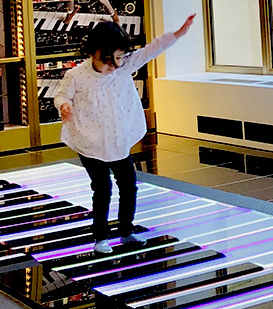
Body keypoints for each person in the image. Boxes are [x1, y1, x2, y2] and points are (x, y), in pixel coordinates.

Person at [54, 14, 196, 254]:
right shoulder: (76, 75)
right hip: (89, 140)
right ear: (94, 53)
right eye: (108, 59)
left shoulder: (124, 66)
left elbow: (151, 50)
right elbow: (61, 95)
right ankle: (100, 237)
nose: (114, 65)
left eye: (119, 58)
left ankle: (126, 231)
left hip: (117, 139)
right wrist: (64, 106)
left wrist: (178, 34)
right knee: (102, 188)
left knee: (129, 186)